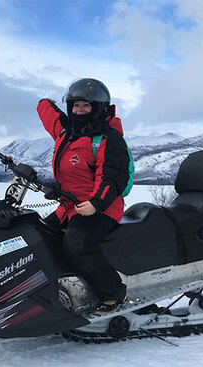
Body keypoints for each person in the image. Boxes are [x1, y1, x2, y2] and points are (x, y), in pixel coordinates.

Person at [37, 78, 131, 315]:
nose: (79, 110)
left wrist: (97, 203)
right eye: (75, 105)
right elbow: (50, 117)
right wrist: (44, 101)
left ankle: (112, 293)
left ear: (98, 108)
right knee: (38, 234)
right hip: (70, 206)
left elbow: (113, 176)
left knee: (76, 244)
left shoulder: (107, 138)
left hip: (102, 206)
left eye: (85, 105)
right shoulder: (68, 132)